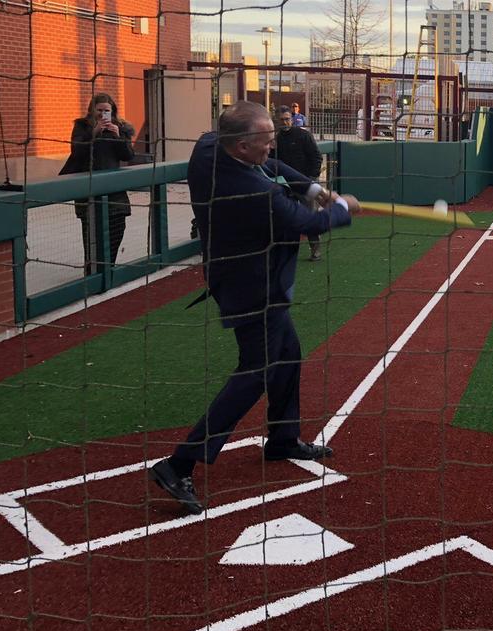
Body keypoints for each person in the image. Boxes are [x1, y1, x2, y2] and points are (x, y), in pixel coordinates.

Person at [148, 101, 361, 515]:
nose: (270, 148)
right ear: (241, 146)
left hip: (249, 277)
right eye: (263, 143)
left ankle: (282, 439)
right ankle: (178, 464)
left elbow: (281, 167)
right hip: (252, 286)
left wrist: (316, 188)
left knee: (288, 356)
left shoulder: (210, 146)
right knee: (256, 370)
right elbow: (307, 224)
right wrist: (339, 208)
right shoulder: (249, 189)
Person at [58, 93, 136, 276]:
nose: (102, 115)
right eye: (99, 111)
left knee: (117, 226)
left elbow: (128, 155)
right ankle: (92, 272)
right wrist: (94, 134)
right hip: (88, 187)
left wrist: (118, 136)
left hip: (114, 187)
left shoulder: (121, 127)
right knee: (91, 231)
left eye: (106, 111)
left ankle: (109, 268)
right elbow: (76, 152)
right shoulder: (82, 127)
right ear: (92, 111)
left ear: (112, 111)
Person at [273, 105, 325, 260]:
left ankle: (315, 249)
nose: (285, 122)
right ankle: (286, 251)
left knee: (309, 216)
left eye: (287, 119)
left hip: (304, 184)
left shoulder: (303, 135)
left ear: (292, 119)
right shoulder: (275, 139)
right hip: (284, 185)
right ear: (277, 120)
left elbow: (316, 157)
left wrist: (311, 179)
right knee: (284, 218)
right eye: (282, 120)